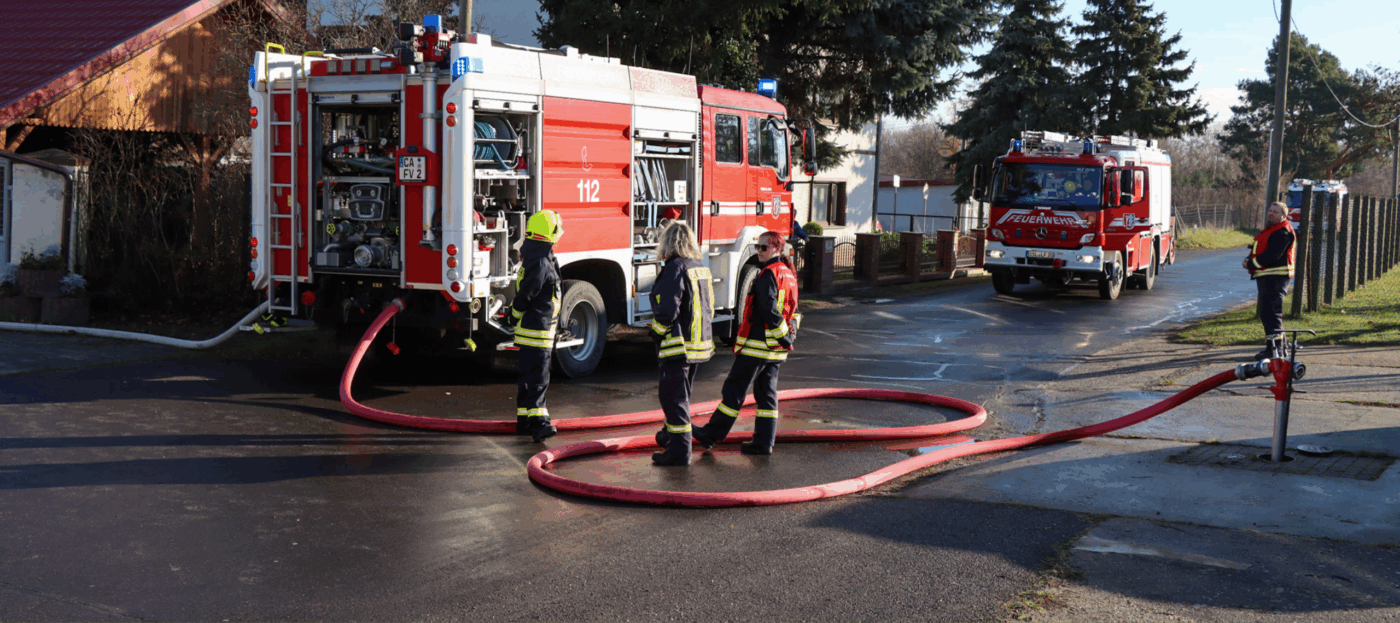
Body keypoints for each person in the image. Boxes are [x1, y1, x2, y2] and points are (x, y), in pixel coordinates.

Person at [691, 230, 800, 455]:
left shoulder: (769, 274)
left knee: (734, 391)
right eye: (757, 247)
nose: (759, 252)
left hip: (757, 347)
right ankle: (763, 443)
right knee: (766, 395)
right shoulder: (788, 274)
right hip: (775, 351)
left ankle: (710, 435)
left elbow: (768, 310)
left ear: (777, 249)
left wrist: (782, 335)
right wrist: (786, 337)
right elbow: (794, 311)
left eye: (764, 248)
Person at [649, 222, 715, 466]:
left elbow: (667, 311)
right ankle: (670, 437)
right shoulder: (700, 268)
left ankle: (679, 452)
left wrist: (655, 334)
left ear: (668, 243)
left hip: (677, 347)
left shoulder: (675, 268)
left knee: (673, 399)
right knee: (680, 398)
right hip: (697, 347)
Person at [507, 210, 564, 443]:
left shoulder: (536, 258)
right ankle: (540, 424)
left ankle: (524, 421)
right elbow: (528, 293)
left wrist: (514, 315)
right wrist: (514, 313)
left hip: (532, 330)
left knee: (527, 378)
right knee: (539, 379)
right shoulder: (541, 262)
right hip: (538, 331)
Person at [1243, 202, 1296, 360]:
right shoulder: (1272, 229)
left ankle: (1276, 351)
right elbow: (1259, 249)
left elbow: (1272, 255)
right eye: (1270, 211)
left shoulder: (1282, 232)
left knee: (1272, 315)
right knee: (1268, 315)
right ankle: (1275, 349)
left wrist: (1252, 264)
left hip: (1276, 278)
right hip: (1268, 277)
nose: (1271, 213)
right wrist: (1249, 259)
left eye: (1275, 212)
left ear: (1283, 215)